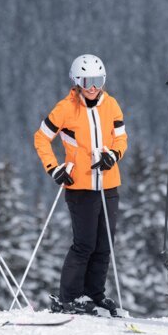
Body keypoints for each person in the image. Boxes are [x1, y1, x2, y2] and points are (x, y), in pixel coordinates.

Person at [34, 54, 128, 315]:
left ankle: (94, 294)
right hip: (80, 187)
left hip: (108, 185)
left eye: (97, 81)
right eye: (87, 81)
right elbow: (41, 139)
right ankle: (70, 297)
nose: (93, 87)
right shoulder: (65, 108)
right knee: (84, 244)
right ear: (77, 82)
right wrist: (54, 169)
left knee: (104, 245)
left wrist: (113, 155)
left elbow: (121, 139)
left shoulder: (111, 105)